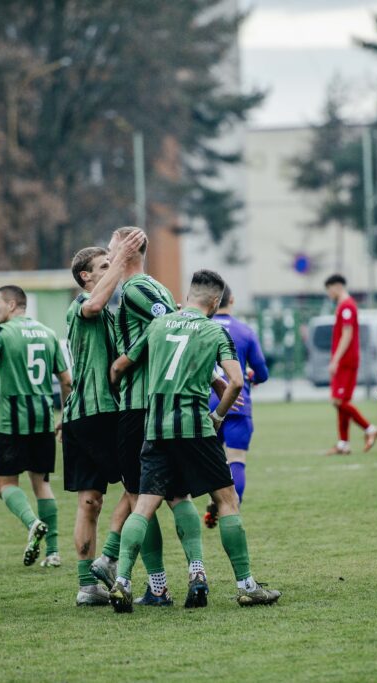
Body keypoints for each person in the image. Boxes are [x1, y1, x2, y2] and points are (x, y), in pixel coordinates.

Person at [107, 269, 281, 612]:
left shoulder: (158, 325)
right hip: (195, 428)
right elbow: (235, 382)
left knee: (143, 505)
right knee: (226, 500)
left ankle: (122, 581)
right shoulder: (214, 331)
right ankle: (246, 585)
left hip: (155, 427)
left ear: (188, 296)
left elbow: (121, 366)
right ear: (215, 301)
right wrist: (218, 416)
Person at [89, 227, 206, 609]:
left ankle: (157, 587)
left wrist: (126, 359)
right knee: (176, 494)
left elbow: (170, 326)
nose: (108, 256)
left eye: (111, 249)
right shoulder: (158, 287)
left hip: (139, 406)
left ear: (126, 250)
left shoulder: (136, 289)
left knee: (141, 496)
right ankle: (196, 572)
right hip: (162, 406)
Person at [62, 229, 146, 606]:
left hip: (89, 416)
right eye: (104, 266)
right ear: (86, 276)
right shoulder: (82, 304)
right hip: (95, 415)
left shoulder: (111, 316)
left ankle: (98, 571)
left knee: (94, 500)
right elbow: (95, 304)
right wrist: (122, 257)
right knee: (137, 488)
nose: (112, 269)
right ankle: (99, 571)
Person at [0, 285, 71, 573]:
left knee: (5, 485)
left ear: (12, 305)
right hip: (43, 420)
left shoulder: (1, 334)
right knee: (42, 485)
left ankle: (32, 523)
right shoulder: (48, 334)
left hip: (12, 422)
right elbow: (66, 381)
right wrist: (64, 415)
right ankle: (53, 552)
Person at [203, 283, 269, 528]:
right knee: (236, 459)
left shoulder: (202, 327)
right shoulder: (245, 331)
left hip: (206, 403)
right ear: (231, 301)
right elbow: (262, 372)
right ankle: (231, 511)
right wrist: (252, 376)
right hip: (238, 403)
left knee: (209, 462)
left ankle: (213, 501)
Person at [323, 274, 377, 455]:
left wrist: (336, 359)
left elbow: (347, 335)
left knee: (337, 401)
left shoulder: (347, 306)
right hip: (346, 360)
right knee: (341, 402)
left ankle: (369, 428)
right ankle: (343, 444)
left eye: (329, 290)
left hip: (346, 361)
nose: (329, 294)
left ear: (337, 286)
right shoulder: (344, 305)